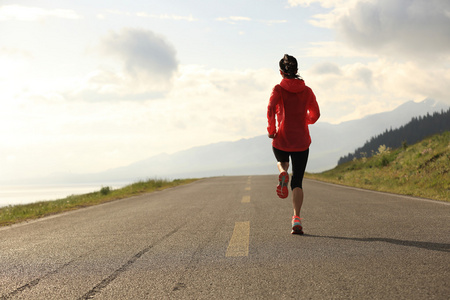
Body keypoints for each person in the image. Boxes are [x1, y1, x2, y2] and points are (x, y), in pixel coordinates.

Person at [267, 54, 320, 234]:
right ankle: (296, 218)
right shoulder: (307, 91)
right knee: (297, 181)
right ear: (297, 71)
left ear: (281, 72)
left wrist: (271, 129)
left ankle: (282, 172)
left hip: (282, 137)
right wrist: (306, 120)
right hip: (301, 141)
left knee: (282, 160)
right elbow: (316, 114)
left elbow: (270, 109)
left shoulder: (278, 89)